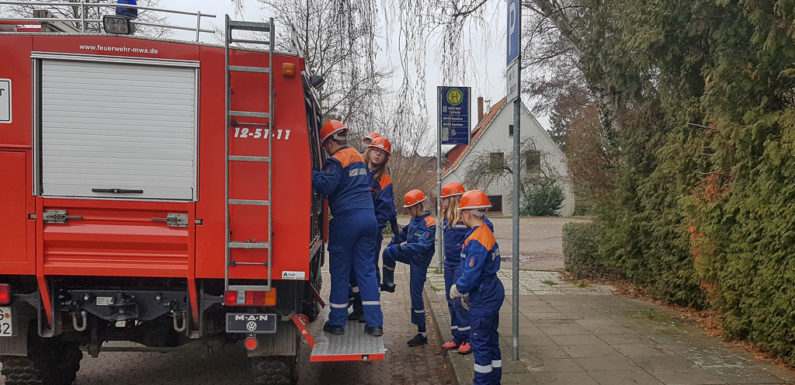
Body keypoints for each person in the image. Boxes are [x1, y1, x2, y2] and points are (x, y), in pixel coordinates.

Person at [311, 120, 383, 337]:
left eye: (325, 146)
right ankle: (375, 324)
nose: (326, 150)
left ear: (330, 141)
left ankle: (337, 323)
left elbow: (327, 186)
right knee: (367, 271)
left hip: (347, 221)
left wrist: (311, 173)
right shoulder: (358, 158)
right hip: (369, 219)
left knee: (341, 272)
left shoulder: (336, 161)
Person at [450, 190, 504, 385]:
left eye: (462, 212)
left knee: (480, 343)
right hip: (491, 291)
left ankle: (482, 382)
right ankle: (494, 381)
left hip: (483, 295)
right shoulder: (485, 232)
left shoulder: (477, 239)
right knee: (491, 341)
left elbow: (471, 273)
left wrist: (458, 289)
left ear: (467, 214)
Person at [348, 136, 399, 321]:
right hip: (352, 229)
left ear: (386, 158)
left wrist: (371, 228)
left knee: (368, 269)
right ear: (369, 150)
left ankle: (370, 310)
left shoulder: (384, 180)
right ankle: (359, 307)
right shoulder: (356, 169)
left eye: (382, 153)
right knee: (353, 269)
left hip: (371, 233)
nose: (378, 154)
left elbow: (384, 211)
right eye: (376, 150)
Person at [381, 189, 436, 347]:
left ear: (418, 205)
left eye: (409, 208)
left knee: (415, 293)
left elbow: (422, 246)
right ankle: (388, 284)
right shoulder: (414, 218)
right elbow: (404, 233)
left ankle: (422, 333)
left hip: (420, 261)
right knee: (387, 252)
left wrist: (401, 248)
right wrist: (394, 242)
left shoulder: (430, 224)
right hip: (410, 254)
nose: (408, 211)